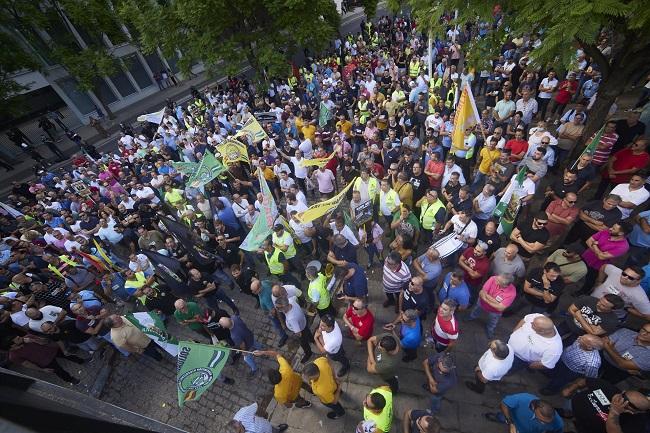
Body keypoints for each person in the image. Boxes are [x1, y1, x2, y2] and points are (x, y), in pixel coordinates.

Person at [561, 378, 650, 433]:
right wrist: (571, 388)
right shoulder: (607, 386)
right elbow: (584, 381)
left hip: (588, 429)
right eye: (623, 397)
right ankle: (567, 414)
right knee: (567, 410)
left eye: (627, 404)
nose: (620, 401)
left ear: (637, 411)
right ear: (623, 391)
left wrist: (614, 412)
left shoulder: (638, 422)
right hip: (573, 406)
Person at [539, 334, 603, 395]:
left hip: (570, 371)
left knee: (559, 380)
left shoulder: (593, 362)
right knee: (553, 369)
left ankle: (551, 390)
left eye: (582, 339)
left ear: (589, 347)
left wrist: (578, 382)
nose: (579, 337)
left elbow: (590, 376)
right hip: (562, 358)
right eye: (582, 337)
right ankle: (550, 375)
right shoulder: (579, 341)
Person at [578, 223, 631, 295]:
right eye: (612, 226)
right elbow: (588, 241)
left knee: (590, 280)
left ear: (621, 233)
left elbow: (601, 257)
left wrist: (595, 245)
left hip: (598, 266)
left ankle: (582, 292)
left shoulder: (623, 246)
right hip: (586, 257)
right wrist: (599, 252)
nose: (610, 229)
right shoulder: (605, 232)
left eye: (614, 229)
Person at [468, 273, 517, 339]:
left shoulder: (512, 293)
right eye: (497, 279)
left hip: (495, 311)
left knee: (492, 322)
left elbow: (500, 308)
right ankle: (472, 317)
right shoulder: (493, 278)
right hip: (482, 303)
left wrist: (486, 299)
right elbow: (483, 292)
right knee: (476, 310)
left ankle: (490, 330)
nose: (495, 280)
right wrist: (496, 302)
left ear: (505, 285)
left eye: (498, 281)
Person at [484, 394, 563, 433]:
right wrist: (510, 423)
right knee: (502, 417)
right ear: (533, 408)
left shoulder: (558, 424)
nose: (543, 423)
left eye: (546, 422)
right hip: (512, 419)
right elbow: (504, 404)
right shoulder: (523, 398)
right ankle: (500, 418)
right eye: (541, 420)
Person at [274, 296, 313, 364]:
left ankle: (308, 353)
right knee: (308, 332)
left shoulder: (291, 318)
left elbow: (299, 333)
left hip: (301, 328)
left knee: (303, 343)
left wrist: (297, 335)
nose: (277, 309)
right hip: (303, 322)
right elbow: (295, 297)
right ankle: (312, 339)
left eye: (279, 308)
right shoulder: (291, 300)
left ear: (285, 306)